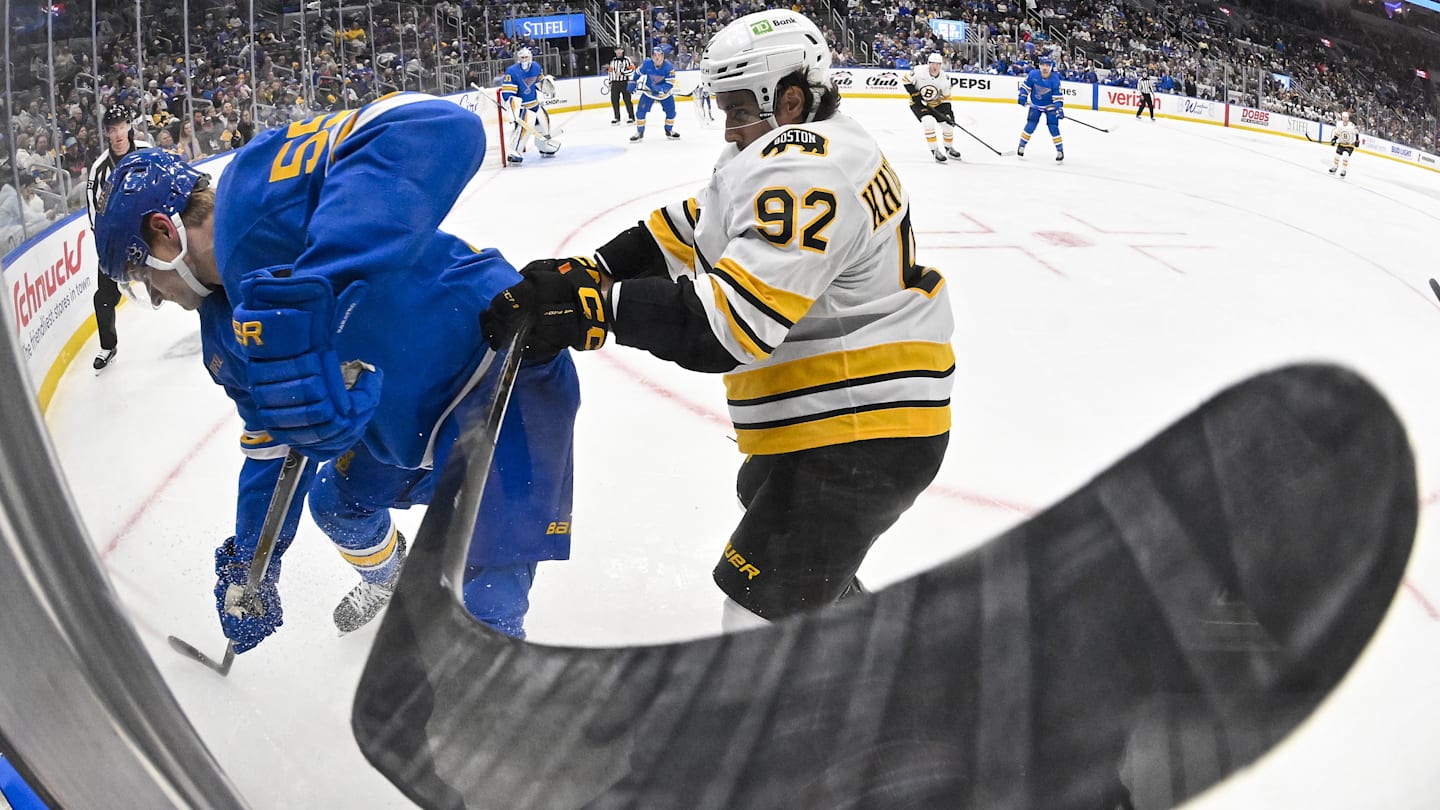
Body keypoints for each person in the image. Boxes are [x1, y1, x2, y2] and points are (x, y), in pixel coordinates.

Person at [486, 10, 953, 632]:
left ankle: (840, 719)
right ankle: (893, 674)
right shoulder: (814, 141)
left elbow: (731, 329)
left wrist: (597, 310)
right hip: (842, 418)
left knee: (755, 614)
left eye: (738, 107)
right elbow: (691, 225)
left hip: (858, 426)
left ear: (789, 97)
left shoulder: (805, 169)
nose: (730, 127)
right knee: (801, 586)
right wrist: (593, 267)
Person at [91, 93, 580, 652]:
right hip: (402, 421)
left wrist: (325, 285)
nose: (154, 299)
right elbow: (273, 449)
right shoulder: (224, 337)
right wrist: (255, 561)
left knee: (482, 603)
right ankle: (392, 580)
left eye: (139, 274)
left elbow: (438, 124)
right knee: (337, 505)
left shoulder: (255, 188)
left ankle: (494, 711)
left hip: (500, 372)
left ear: (163, 231)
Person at [85, 104, 152, 371]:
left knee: (189, 267)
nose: (118, 134)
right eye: (112, 129)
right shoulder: (99, 169)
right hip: (118, 242)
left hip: (150, 231)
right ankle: (107, 345)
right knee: (103, 296)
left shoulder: (147, 152)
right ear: (107, 134)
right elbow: (94, 215)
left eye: (122, 126)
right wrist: (107, 250)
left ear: (130, 126)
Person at [500, 48, 559, 164]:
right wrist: (512, 106)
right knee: (524, 128)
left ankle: (543, 145)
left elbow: (539, 82)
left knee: (544, 122)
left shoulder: (536, 67)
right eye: (522, 58)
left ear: (530, 57)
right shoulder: (512, 71)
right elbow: (508, 92)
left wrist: (546, 84)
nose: (524, 60)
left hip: (535, 103)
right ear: (518, 58)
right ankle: (514, 150)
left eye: (526, 57)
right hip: (522, 106)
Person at [904, 52, 963, 163]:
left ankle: (948, 148)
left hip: (937, 103)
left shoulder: (945, 78)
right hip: (918, 103)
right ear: (928, 64)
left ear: (941, 65)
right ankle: (935, 150)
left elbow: (946, 98)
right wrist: (914, 94)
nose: (935, 66)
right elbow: (905, 80)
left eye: (937, 64)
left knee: (947, 126)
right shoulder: (918, 71)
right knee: (928, 122)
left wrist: (948, 113)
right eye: (932, 63)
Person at [1017, 56, 1065, 161]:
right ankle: (1021, 145)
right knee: (1031, 124)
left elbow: (1058, 97)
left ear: (1051, 67)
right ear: (1039, 66)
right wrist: (1022, 96)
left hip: (1050, 107)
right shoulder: (1033, 74)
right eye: (1043, 65)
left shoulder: (1055, 79)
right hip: (1035, 105)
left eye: (1048, 65)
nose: (1045, 67)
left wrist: (1059, 108)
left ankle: (1060, 150)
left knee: (1053, 127)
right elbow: (1025, 87)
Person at [629, 46, 680, 142]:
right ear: (652, 57)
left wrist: (661, 89)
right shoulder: (647, 64)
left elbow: (670, 83)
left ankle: (669, 130)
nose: (657, 58)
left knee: (671, 112)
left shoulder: (669, 67)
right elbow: (637, 73)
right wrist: (633, 81)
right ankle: (640, 133)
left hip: (664, 94)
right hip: (649, 92)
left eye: (660, 55)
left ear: (663, 56)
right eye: (655, 55)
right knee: (640, 112)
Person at [606, 46, 637, 126]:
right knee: (614, 100)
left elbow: (632, 69)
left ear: (622, 50)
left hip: (624, 82)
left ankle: (631, 117)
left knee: (627, 100)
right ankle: (617, 117)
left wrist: (623, 73)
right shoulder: (613, 61)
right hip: (615, 83)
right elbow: (610, 72)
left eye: (620, 50)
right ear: (615, 51)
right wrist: (610, 82)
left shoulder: (627, 59)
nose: (618, 51)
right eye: (617, 50)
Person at [1330, 111, 1359, 177]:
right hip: (1341, 143)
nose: (1345, 119)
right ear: (1342, 118)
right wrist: (1334, 139)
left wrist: (1357, 140)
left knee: (1345, 155)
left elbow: (1356, 132)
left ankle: (1344, 170)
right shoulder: (1339, 124)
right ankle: (1334, 167)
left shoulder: (1351, 125)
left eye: (1346, 118)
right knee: (1337, 155)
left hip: (1349, 144)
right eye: (1344, 118)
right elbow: (1337, 133)